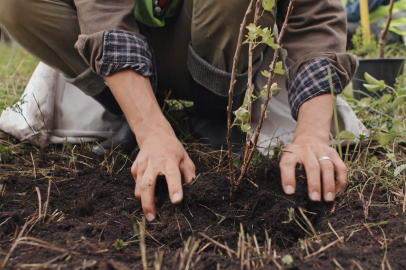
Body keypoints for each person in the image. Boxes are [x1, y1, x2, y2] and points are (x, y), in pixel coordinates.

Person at [0, 0, 357, 221]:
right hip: (129, 42)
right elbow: (103, 13)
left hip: (222, 45)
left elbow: (313, 16)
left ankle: (214, 112)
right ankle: (134, 110)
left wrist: (311, 133)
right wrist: (151, 131)